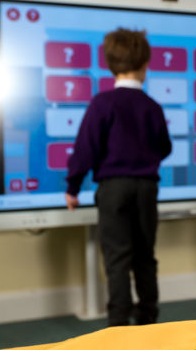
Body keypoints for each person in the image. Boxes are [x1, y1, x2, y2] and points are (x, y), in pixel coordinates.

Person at [66, 28, 171, 326]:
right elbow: (164, 147)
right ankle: (148, 319)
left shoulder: (102, 103)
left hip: (113, 189)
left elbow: (85, 149)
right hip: (147, 188)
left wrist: (73, 186)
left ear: (110, 65)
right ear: (145, 65)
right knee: (145, 257)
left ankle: (118, 325)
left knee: (117, 259)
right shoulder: (152, 107)